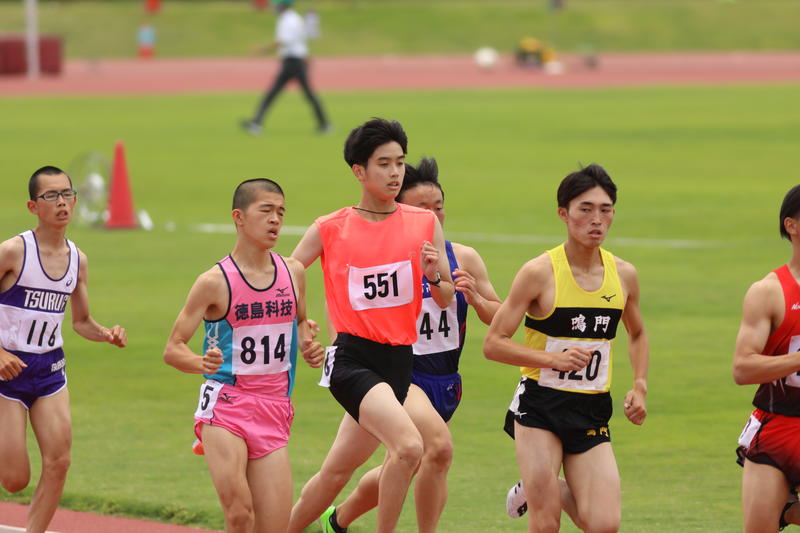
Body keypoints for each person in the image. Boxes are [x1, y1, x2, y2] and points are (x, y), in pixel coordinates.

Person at [317, 157, 502, 533]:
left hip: (444, 380)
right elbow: (343, 310)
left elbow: (501, 318)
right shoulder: (380, 257)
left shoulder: (462, 258)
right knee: (438, 448)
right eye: (422, 208)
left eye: (439, 206)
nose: (433, 215)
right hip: (397, 374)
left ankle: (336, 520)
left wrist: (477, 299)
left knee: (404, 461)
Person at [288, 119, 455, 533]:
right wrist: (302, 325)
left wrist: (434, 275)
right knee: (409, 447)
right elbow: (289, 271)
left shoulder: (424, 222)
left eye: (399, 162)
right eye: (384, 164)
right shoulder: (332, 226)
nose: (395, 172)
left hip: (398, 364)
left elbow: (445, 296)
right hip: (351, 359)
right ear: (359, 171)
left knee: (334, 475)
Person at [484, 163, 649, 533]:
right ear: (563, 213)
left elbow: (637, 333)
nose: (597, 220)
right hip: (540, 405)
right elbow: (493, 344)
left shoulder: (624, 275)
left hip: (591, 408)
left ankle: (544, 485)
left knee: (604, 525)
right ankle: (540, 485)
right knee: (546, 523)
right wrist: (551, 360)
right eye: (585, 209)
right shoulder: (539, 273)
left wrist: (639, 385)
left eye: (605, 210)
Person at [163, 178, 324, 533]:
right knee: (239, 514)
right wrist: (200, 363)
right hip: (227, 404)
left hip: (275, 407)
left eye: (281, 212)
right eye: (266, 211)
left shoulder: (293, 272)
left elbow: (300, 324)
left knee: (274, 525)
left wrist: (307, 344)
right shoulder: (214, 282)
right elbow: (173, 348)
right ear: (239, 216)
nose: (275, 220)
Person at [0, 166, 127, 533]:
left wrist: (106, 333)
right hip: (8, 372)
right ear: (33, 206)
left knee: (59, 463)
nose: (61, 202)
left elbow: (81, 321)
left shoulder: (77, 260)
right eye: (51, 196)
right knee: (14, 480)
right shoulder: (13, 252)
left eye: (67, 194)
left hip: (50, 371)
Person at [733, 184, 800, 533]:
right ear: (792, 225)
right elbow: (743, 368)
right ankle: (782, 511)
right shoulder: (769, 292)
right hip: (777, 426)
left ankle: (788, 511)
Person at [241, 0, 330, 136]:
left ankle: (256, 123)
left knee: (276, 93)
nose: (274, 7)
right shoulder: (294, 18)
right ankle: (324, 124)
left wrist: (263, 50)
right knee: (302, 94)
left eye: (277, 5)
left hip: (293, 62)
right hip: (295, 61)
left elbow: (282, 41)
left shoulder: (288, 20)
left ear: (283, 5)